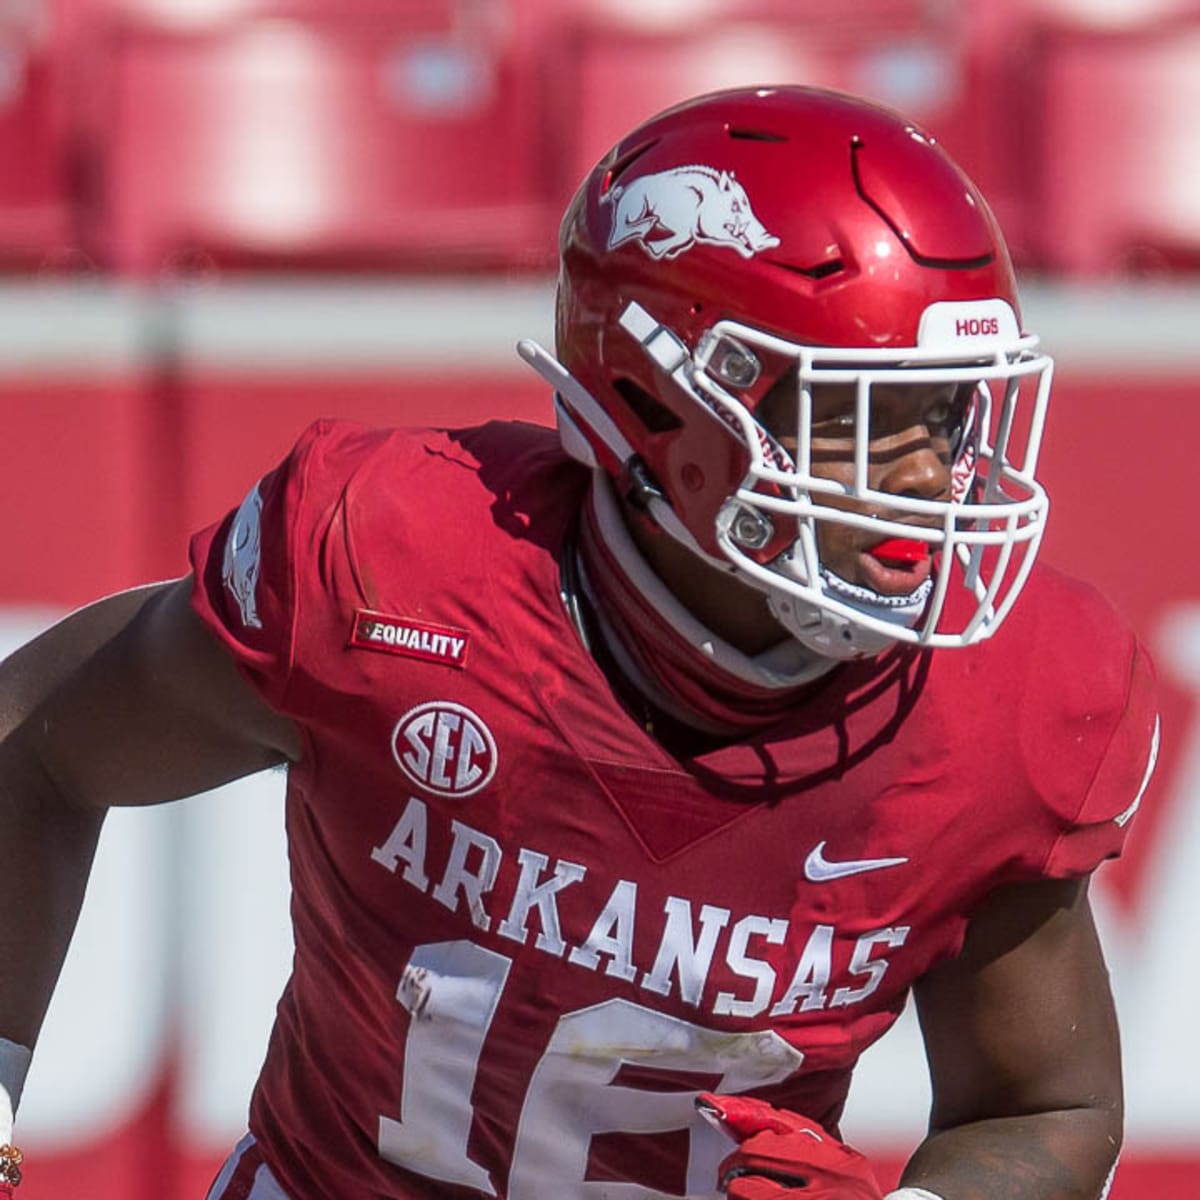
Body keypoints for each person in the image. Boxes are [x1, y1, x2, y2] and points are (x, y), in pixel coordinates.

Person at [0, 85, 1159, 1200]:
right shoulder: (396, 571)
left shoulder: (1004, 700)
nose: (925, 481)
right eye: (855, 421)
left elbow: (1044, 1106)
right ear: (657, 401)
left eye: (944, 416)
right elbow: (35, 747)